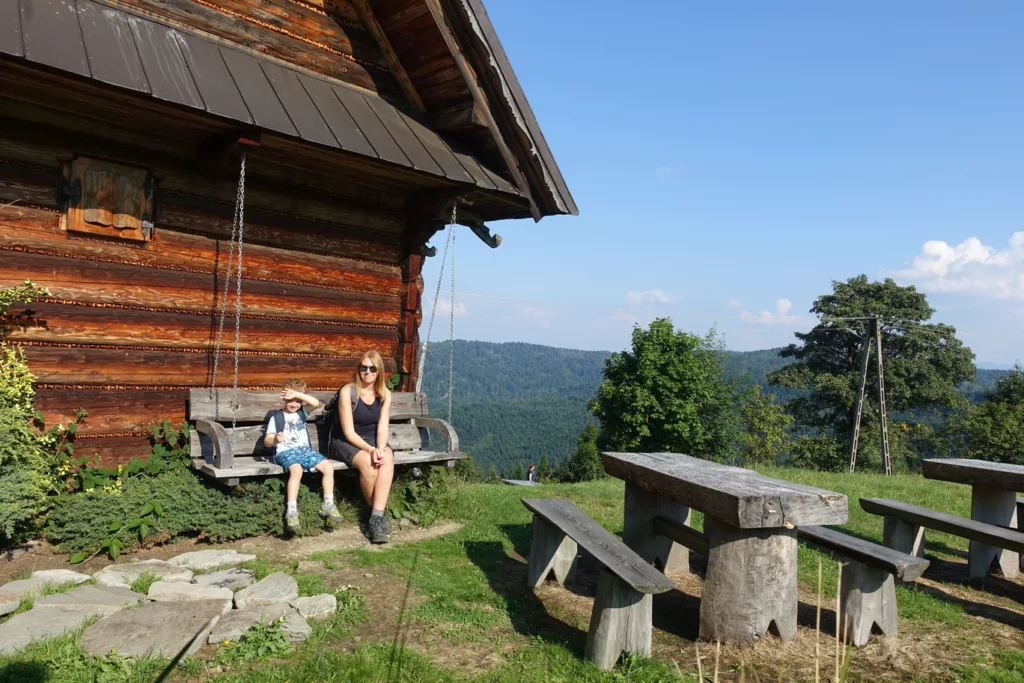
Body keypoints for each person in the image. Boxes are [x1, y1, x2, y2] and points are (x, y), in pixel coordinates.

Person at [330, 350, 395, 544]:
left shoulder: (384, 394)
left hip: (373, 439)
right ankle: (377, 515)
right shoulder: (348, 392)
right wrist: (370, 450)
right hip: (346, 441)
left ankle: (375, 517)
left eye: (372, 368)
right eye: (363, 367)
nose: (367, 372)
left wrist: (381, 447)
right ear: (358, 369)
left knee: (387, 458)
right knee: (369, 464)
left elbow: (383, 426)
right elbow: (348, 431)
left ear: (379, 372)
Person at [263, 378, 344, 533]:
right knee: (296, 470)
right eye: (290, 400)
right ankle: (292, 511)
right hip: (285, 452)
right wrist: (274, 439)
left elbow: (315, 403)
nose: (294, 403)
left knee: (328, 467)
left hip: (305, 451)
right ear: (283, 398)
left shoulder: (302, 413)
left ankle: (328, 504)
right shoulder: (277, 417)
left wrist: (298, 394)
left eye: (298, 400)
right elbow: (267, 441)